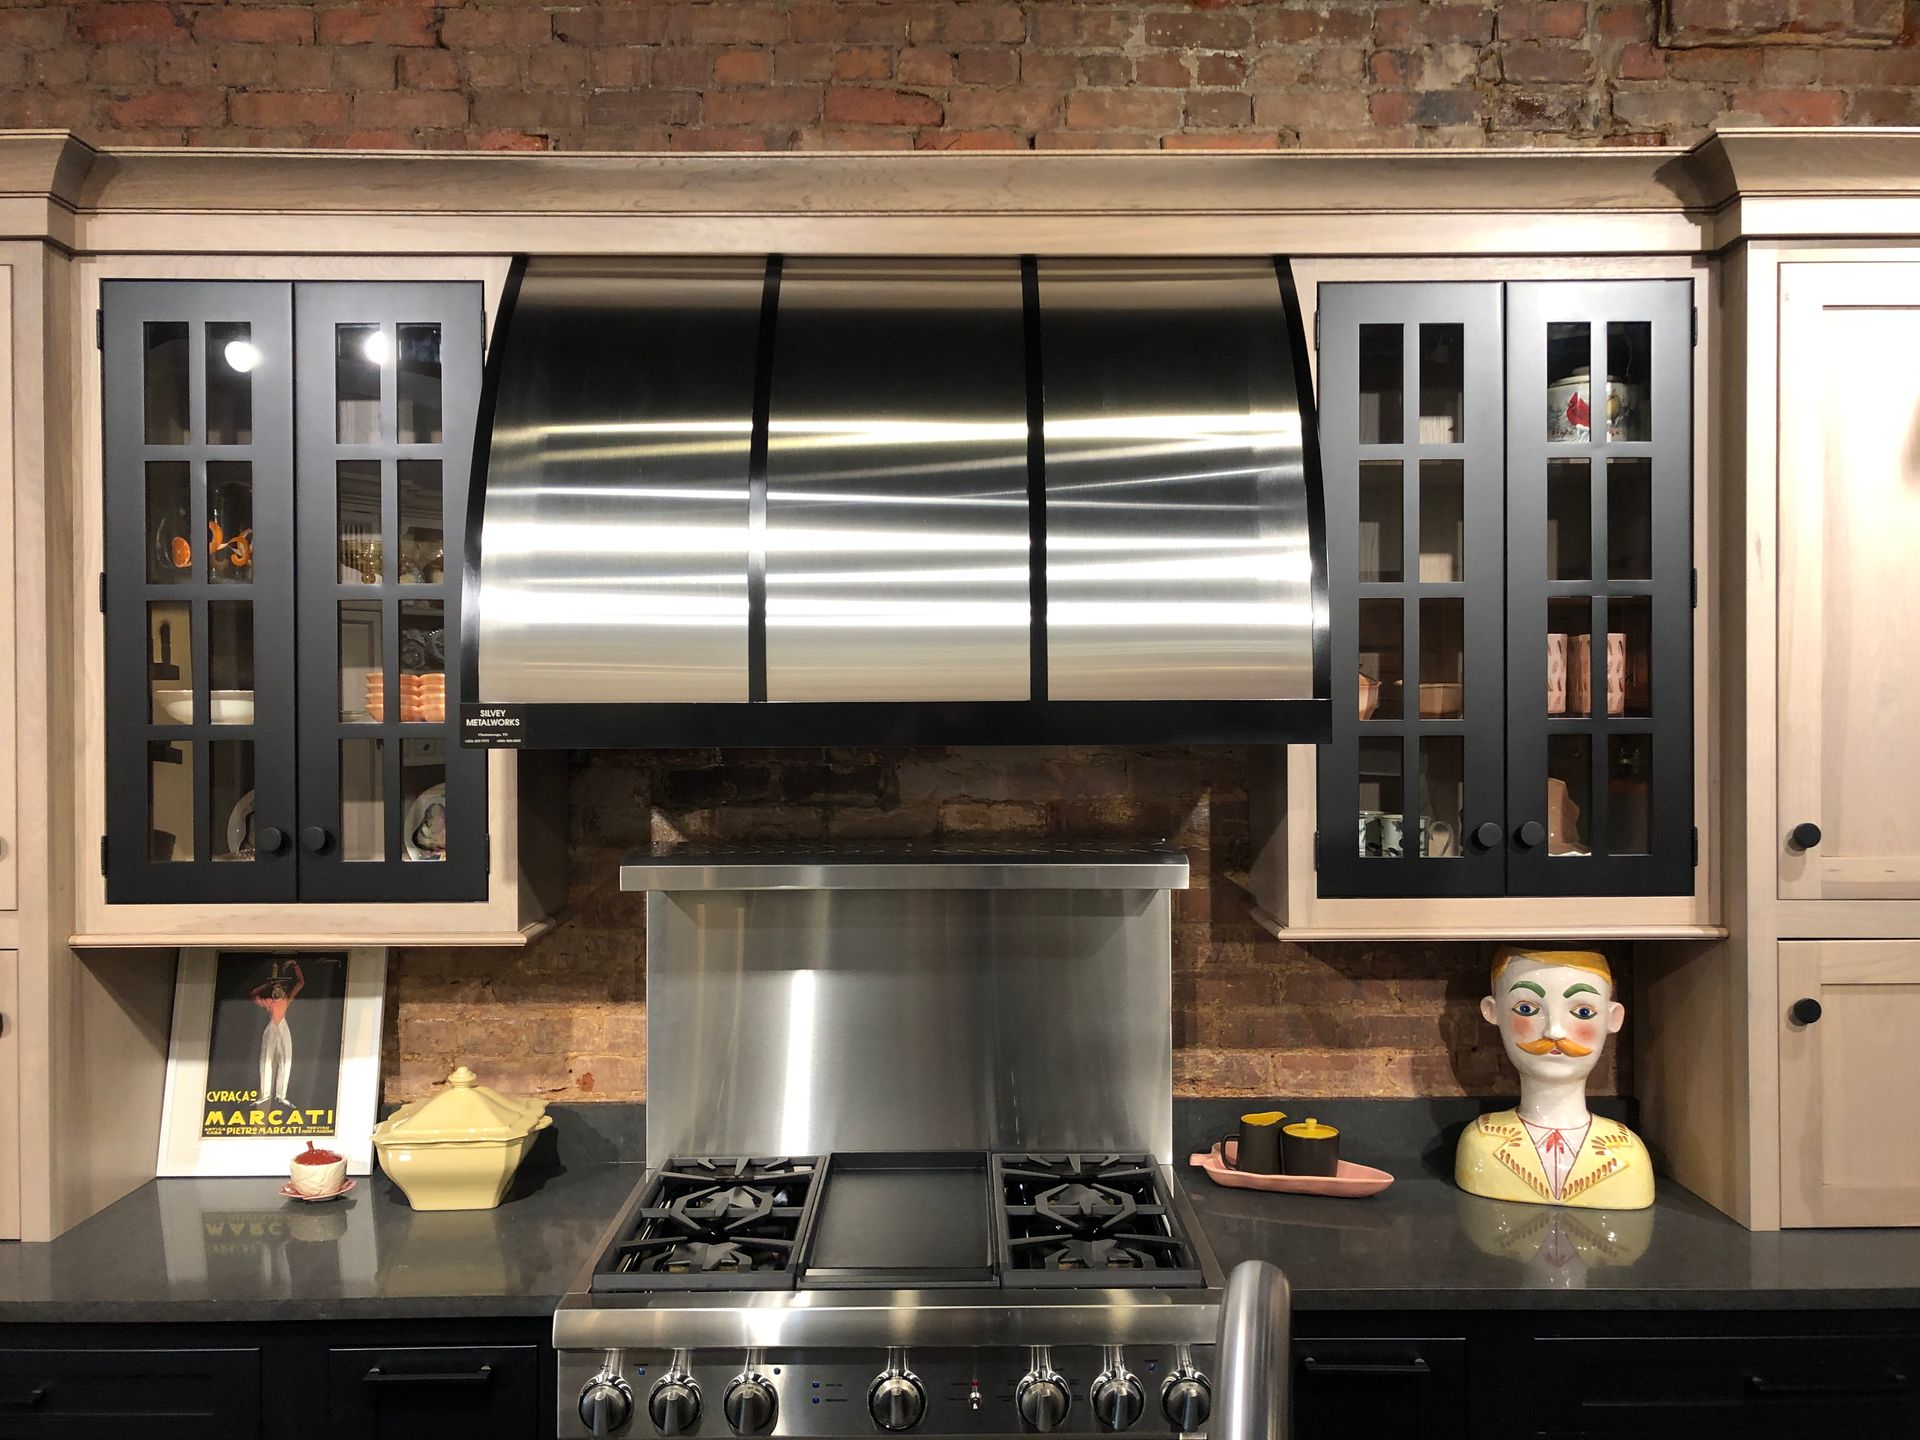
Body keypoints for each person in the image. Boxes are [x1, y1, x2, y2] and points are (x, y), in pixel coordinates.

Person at [1454, 947, 1653, 1211]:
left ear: (1613, 1018)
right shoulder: (1482, 1144)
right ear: (1493, 1012)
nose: (1554, 1030)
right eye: (1526, 1008)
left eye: (1583, 1012)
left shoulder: (1626, 1155)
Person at [250, 960, 304, 1108]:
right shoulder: (269, 1002)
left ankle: (281, 1095)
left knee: (285, 1060)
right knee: (266, 1059)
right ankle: (265, 1094)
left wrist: (295, 965)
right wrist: (266, 985)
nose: (276, 991)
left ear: (283, 991)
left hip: (282, 1027)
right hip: (271, 1027)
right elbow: (254, 995)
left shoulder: (286, 1000)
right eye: (274, 988)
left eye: (278, 988)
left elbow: (300, 983)